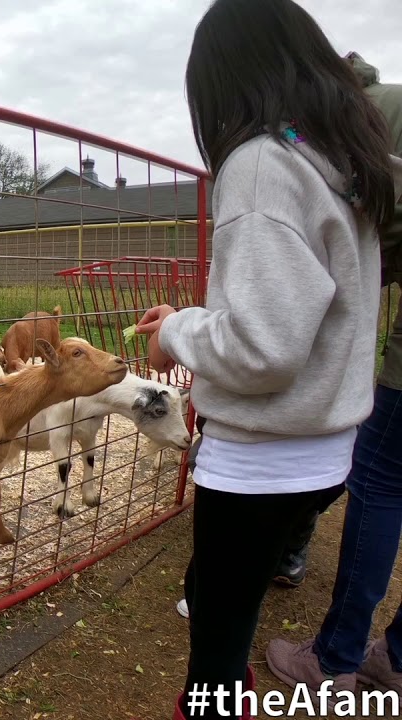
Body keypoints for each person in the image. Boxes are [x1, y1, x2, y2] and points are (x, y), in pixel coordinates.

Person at [133, 1, 401, 717]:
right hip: (325, 455)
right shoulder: (345, 164)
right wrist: (192, 320)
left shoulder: (258, 166)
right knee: (238, 602)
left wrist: (178, 332)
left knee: (213, 659)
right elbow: (304, 313)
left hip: (259, 462)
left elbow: (263, 347)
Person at [264, 50, 402, 693]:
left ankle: (336, 656)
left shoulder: (358, 124)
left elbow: (362, 230)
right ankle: (397, 656)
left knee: (375, 477)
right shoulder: (386, 104)